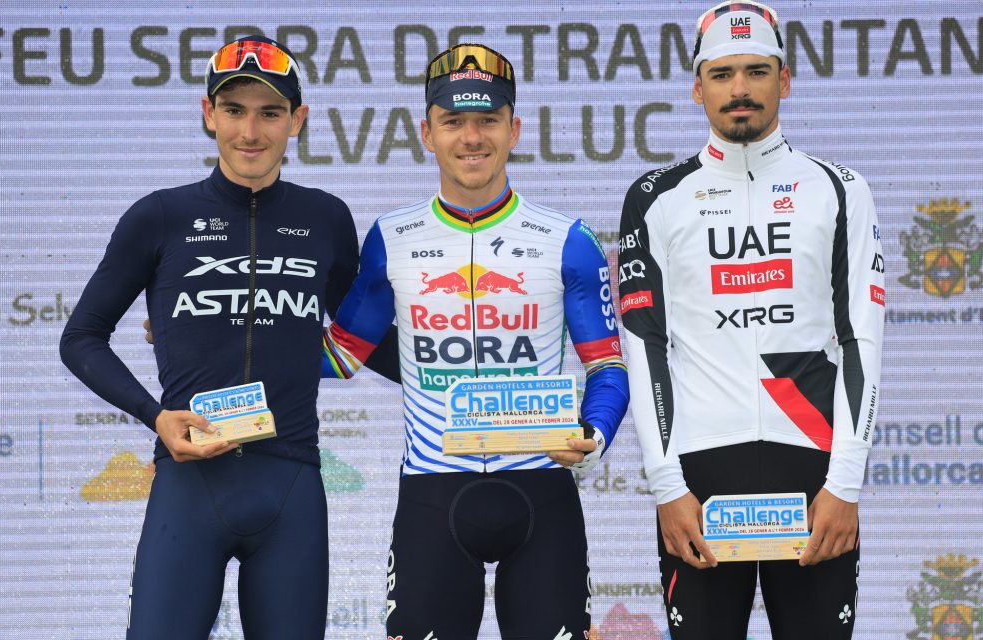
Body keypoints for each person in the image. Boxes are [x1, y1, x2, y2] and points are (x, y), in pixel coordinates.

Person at [60, 35, 397, 639]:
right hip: (189, 487)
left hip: (289, 483)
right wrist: (154, 414)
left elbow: (368, 340)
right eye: (235, 110)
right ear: (209, 114)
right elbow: (81, 337)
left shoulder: (325, 218)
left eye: (270, 112)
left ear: (298, 121)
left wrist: (471, 377)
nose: (251, 131)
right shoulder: (160, 215)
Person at [320, 43, 629, 639]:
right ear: (426, 132)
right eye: (454, 121)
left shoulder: (568, 239)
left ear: (514, 129)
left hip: (541, 489)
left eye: (488, 120)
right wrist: (212, 339)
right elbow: (338, 356)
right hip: (434, 496)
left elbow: (608, 368)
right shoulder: (391, 238)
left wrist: (592, 436)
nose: (471, 138)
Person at [618, 2, 884, 638]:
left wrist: (845, 480)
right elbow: (643, 347)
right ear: (697, 86)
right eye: (723, 73)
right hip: (700, 479)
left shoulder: (839, 188)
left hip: (815, 470)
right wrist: (666, 485)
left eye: (757, 71)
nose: (740, 89)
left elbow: (861, 339)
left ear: (785, 80)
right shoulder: (655, 197)